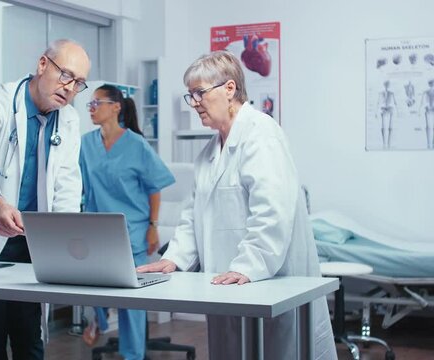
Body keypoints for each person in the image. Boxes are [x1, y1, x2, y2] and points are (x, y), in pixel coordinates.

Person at [137, 50, 337, 360]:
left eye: (199, 93)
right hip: (228, 285)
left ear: (229, 89)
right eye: (191, 96)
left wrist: (247, 265)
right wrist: (174, 258)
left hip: (268, 284)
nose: (195, 103)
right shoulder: (208, 153)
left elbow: (272, 213)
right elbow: (194, 217)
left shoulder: (261, 135)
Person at [0, 39, 90, 360]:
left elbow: (67, 186)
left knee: (29, 340)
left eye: (79, 83)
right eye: (66, 75)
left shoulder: (68, 120)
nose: (70, 89)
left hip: (35, 246)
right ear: (42, 65)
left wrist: (66, 241)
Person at [78, 85, 175, 360]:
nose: (92, 108)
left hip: (131, 228)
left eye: (98, 102)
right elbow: (80, 185)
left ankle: (133, 355)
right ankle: (98, 318)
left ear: (116, 107)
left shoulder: (136, 144)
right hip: (96, 226)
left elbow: (154, 187)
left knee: (131, 299)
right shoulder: (85, 144)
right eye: (90, 104)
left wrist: (153, 226)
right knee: (90, 282)